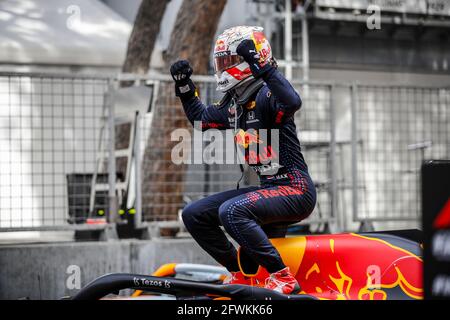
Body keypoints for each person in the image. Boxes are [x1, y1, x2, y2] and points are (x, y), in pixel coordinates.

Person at [170, 26, 316, 294]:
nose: (223, 68)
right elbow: (201, 121)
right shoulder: (233, 104)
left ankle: (283, 277)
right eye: (221, 62)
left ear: (251, 59)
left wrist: (264, 67)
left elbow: (292, 101)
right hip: (267, 190)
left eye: (229, 61)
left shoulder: (267, 93)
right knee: (193, 214)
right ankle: (239, 274)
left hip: (296, 189)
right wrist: (184, 86)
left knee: (232, 211)